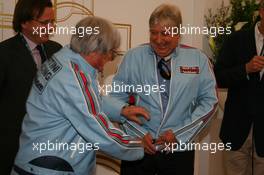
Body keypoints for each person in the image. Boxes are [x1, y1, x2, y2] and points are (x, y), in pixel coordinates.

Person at [11, 16, 151, 175]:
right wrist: (136, 145)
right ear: (96, 50)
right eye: (111, 53)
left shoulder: (65, 58)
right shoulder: (72, 77)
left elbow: (86, 99)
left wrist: (121, 110)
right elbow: (96, 127)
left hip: (38, 159)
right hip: (51, 166)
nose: (110, 60)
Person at [106, 3, 218, 175]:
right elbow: (115, 100)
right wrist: (139, 134)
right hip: (139, 147)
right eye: (154, 33)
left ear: (178, 34)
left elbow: (210, 103)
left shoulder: (198, 59)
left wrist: (179, 134)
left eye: (165, 33)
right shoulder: (133, 57)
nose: (158, 40)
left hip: (179, 150)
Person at [0, 0, 62, 174]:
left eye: (52, 22)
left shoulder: (57, 51)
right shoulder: (4, 53)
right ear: (24, 22)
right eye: (44, 23)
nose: (50, 28)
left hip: (48, 151)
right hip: (10, 151)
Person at [214, 1, 264, 175]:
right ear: (261, 12)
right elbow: (219, 76)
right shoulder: (236, 39)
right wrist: (246, 69)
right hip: (236, 129)